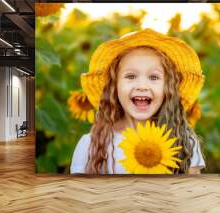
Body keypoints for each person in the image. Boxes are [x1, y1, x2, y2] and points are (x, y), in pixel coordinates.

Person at [70, 29, 205, 174]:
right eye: (131, 76)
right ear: (114, 86)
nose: (142, 86)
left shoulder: (185, 143)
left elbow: (192, 194)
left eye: (154, 77)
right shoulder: (91, 145)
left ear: (168, 87)